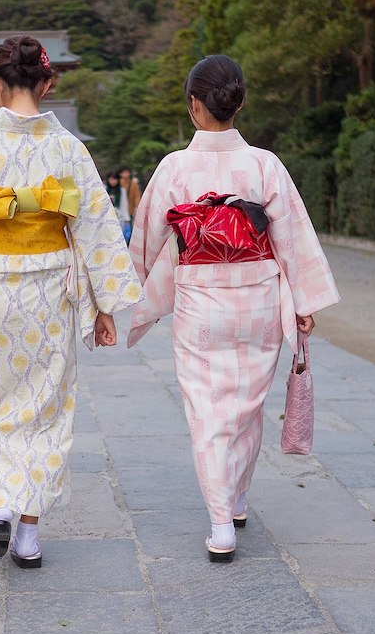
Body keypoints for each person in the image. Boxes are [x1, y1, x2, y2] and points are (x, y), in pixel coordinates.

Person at [0, 35, 142, 568]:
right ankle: (30, 533)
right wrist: (104, 304)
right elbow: (96, 229)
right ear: (49, 83)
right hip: (51, 289)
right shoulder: (69, 149)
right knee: (47, 406)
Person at [128, 55, 339, 562]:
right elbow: (291, 236)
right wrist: (303, 303)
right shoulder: (264, 164)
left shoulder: (175, 166)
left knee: (209, 414)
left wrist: (127, 297)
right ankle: (237, 497)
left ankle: (221, 523)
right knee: (246, 409)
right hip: (261, 299)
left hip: (202, 306)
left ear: (194, 106)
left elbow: (147, 242)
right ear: (239, 103)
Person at [105, 171, 132, 243]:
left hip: (118, 216)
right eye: (111, 179)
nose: (113, 182)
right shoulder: (104, 189)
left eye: (115, 179)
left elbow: (124, 204)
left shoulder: (121, 190)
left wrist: (127, 219)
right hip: (106, 215)